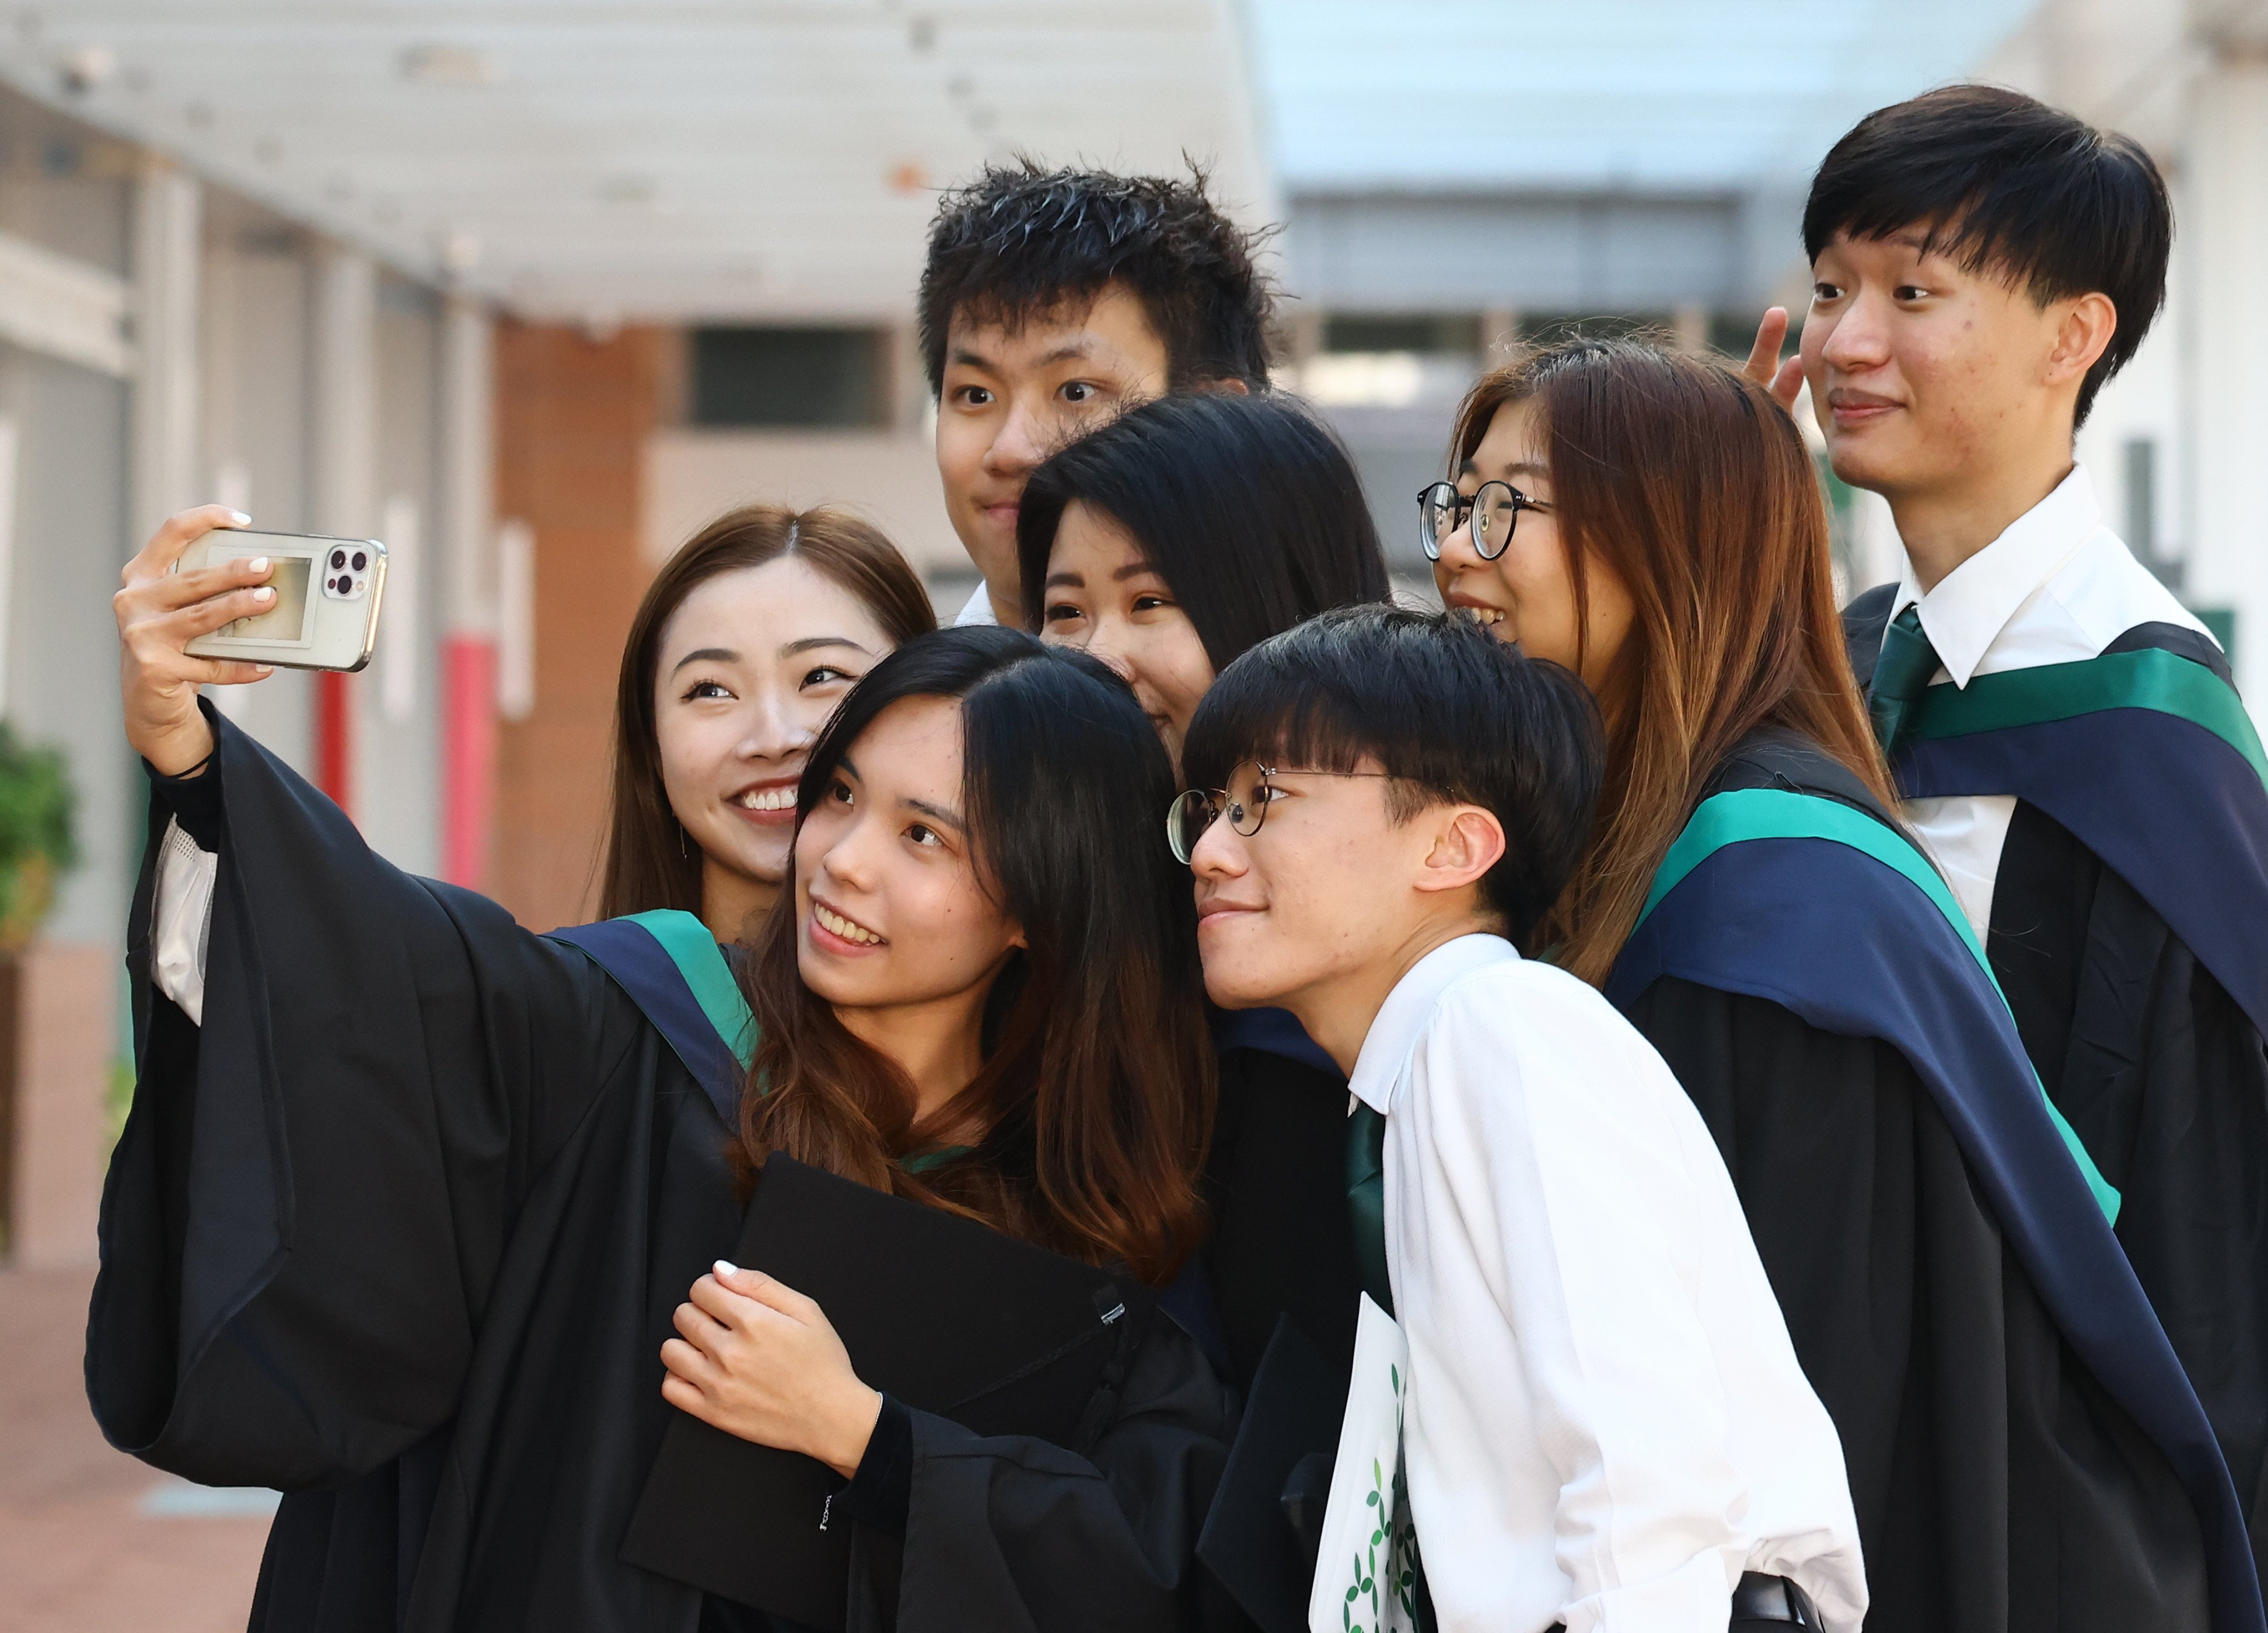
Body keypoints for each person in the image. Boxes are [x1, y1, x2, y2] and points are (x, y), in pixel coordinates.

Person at [92, 504, 1229, 1631]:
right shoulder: (625, 1025)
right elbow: (371, 966)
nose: (840, 860)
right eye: (842, 796)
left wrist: (868, 1436)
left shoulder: (1070, 1213)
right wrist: (192, 756)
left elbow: (1143, 1558)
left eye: (922, 834)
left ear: (1040, 903)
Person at [1429, 334, 2266, 1631]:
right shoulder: (1647, 834)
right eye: (1458, 501)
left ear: (1666, 541)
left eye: (1508, 507)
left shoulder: (1764, 911)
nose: (1454, 552)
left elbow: (1799, 1414)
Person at [1789, 85, 2268, 1631]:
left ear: (2071, 337)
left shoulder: (2132, 727)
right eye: (1829, 286)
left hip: (2048, 1522)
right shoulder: (1847, 663)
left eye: (1910, 291)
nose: (1844, 341)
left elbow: (2218, 1268)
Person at [1178, 604, 1868, 1632]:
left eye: (1265, 800)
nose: (1208, 851)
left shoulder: (1499, 1025)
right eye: (1210, 809)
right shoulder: (1424, 1068)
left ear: (1454, 844)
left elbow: (1642, 1467)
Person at [1018, 387, 1392, 1404]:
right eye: (1065, 612)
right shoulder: (1061, 927)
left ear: (1279, 609)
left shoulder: (1335, 1017)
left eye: (1150, 603)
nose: (1097, 658)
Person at [918, 161, 1274, 630]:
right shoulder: (885, 677)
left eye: (1076, 391)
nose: (1010, 450)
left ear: (1218, 420)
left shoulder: (1337, 675)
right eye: (976, 395)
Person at [597, 503, 936, 942]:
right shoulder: (582, 985)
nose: (774, 739)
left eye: (821, 676)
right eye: (711, 690)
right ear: (652, 744)